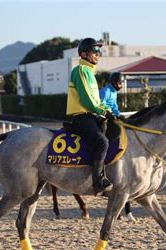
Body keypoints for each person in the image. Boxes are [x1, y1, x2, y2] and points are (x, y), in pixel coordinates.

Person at [66, 37, 114, 194]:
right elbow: (87, 101)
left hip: (91, 116)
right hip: (82, 117)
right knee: (102, 143)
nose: (98, 55)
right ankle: (98, 181)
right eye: (95, 52)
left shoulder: (90, 73)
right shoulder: (80, 71)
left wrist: (109, 111)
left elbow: (96, 100)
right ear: (84, 54)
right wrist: (103, 112)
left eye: (99, 52)